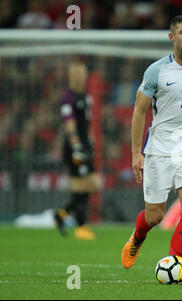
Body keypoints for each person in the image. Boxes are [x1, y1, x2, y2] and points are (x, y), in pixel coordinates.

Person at [121, 15, 182, 269]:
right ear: (172, 37)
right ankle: (138, 237)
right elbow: (139, 110)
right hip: (159, 148)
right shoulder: (157, 71)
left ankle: (173, 262)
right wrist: (136, 153)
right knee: (155, 216)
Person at [53, 60, 101, 240]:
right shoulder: (68, 98)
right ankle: (81, 228)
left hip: (86, 146)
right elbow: (69, 124)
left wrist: (90, 141)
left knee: (92, 185)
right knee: (81, 186)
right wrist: (76, 146)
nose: (80, 77)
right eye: (76, 74)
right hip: (74, 148)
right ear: (71, 77)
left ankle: (62, 214)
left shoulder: (86, 97)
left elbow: (86, 123)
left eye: (82, 74)